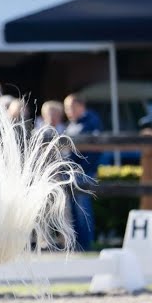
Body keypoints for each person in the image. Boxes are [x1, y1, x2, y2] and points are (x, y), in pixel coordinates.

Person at [64, 92, 103, 251]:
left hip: (83, 172)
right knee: (73, 208)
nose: (68, 111)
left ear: (80, 106)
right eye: (66, 108)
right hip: (71, 171)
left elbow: (95, 150)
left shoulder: (91, 122)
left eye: (70, 107)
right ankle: (78, 244)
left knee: (83, 209)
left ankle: (86, 244)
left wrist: (85, 168)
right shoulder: (72, 124)